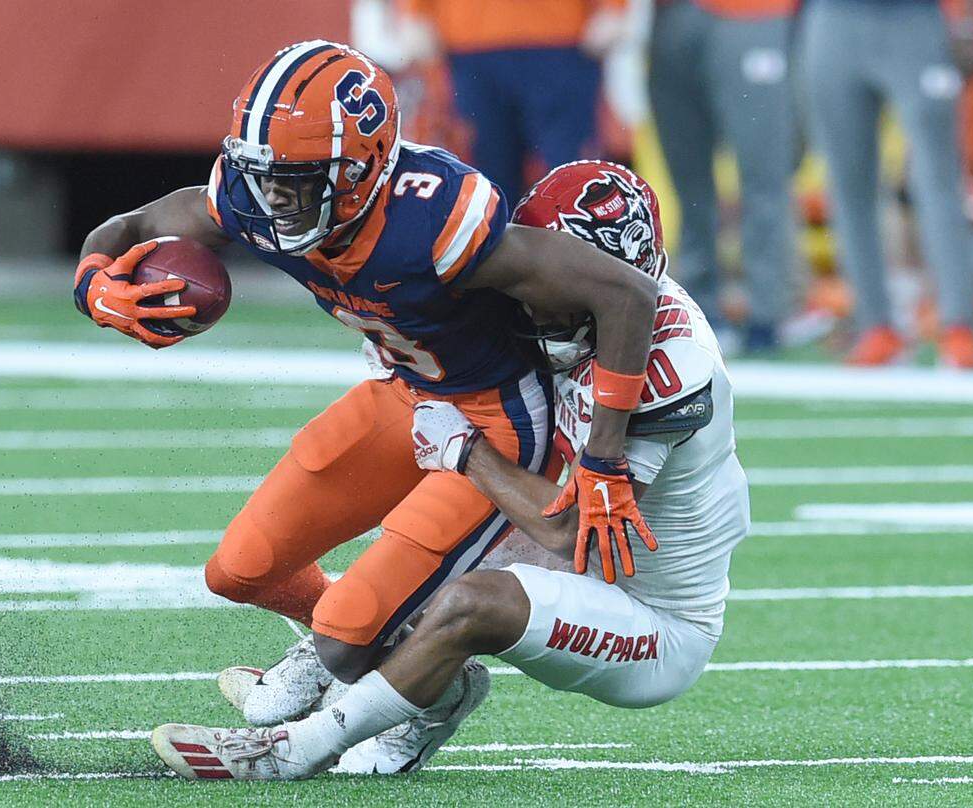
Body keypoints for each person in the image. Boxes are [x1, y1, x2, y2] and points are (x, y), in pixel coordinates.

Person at [74, 41, 660, 756]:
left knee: (347, 645)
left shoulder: (433, 220)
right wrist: (94, 282)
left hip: (499, 422)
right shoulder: (253, 197)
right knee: (240, 569)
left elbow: (625, 292)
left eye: (294, 181)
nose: (270, 201)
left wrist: (602, 457)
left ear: (362, 171)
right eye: (261, 177)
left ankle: (417, 688)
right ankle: (396, 652)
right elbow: (134, 226)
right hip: (407, 393)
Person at [149, 161, 750, 781]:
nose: (531, 301)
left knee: (471, 601)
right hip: (570, 550)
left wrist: (468, 452)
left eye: (557, 284)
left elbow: (571, 530)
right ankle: (418, 686)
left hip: (650, 616)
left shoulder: (666, 369)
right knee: (397, 581)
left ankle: (297, 749)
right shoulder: (578, 317)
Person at [800, 0, 973, 368]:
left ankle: (959, 325)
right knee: (848, 182)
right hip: (835, 19)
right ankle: (875, 326)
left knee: (937, 178)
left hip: (914, 19)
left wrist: (967, 16)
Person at [648, 0, 798, 352]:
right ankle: (697, 307)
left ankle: (766, 312)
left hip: (751, 13)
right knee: (689, 182)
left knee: (763, 170)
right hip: (670, 16)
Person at [396, 0, 627, 206]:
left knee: (571, 172)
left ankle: (578, 249)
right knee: (486, 173)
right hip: (471, 40)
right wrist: (415, 11)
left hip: (561, 38)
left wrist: (613, 8)